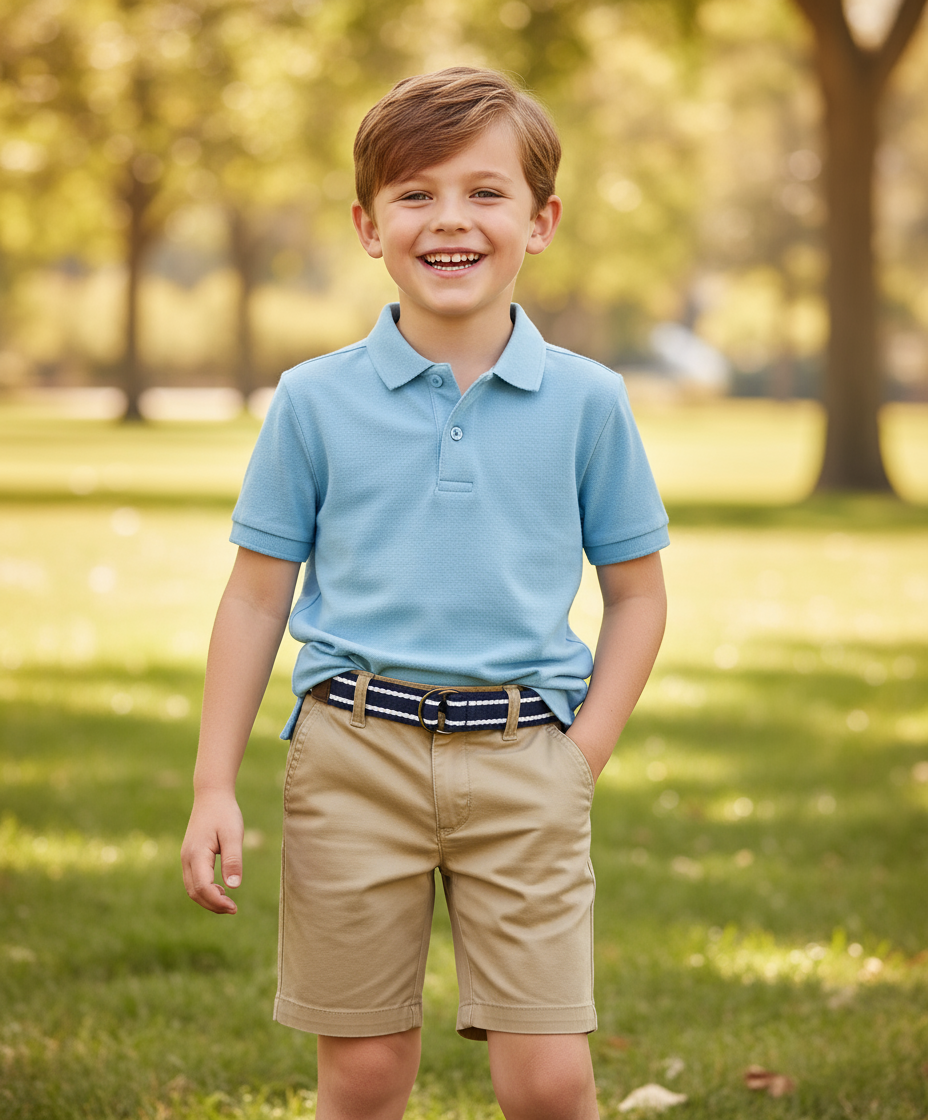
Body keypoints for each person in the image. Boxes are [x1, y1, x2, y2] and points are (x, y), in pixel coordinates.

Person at [181, 66, 668, 1120]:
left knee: (546, 1083)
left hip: (524, 755)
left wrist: (579, 756)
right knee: (362, 1077)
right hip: (352, 755)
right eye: (416, 194)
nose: (450, 220)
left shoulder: (589, 401)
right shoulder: (312, 402)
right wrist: (213, 781)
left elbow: (636, 593)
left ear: (541, 221)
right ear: (368, 225)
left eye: (484, 193)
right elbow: (256, 596)